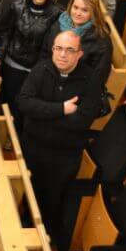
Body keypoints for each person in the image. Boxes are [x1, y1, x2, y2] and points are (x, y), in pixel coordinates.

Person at [18, 30, 102, 236]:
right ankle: (26, 232)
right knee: (29, 194)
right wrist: (61, 109)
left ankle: (47, 237)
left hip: (64, 155)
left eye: (69, 50)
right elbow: (24, 102)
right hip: (34, 147)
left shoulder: (91, 80)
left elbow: (82, 121)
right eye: (58, 48)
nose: (62, 55)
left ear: (79, 54)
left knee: (54, 200)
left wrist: (42, 114)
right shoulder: (41, 69)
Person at [0, 0, 61, 133]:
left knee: (30, 105)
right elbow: (6, 32)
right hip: (14, 63)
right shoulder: (17, 6)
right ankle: (10, 135)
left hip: (39, 68)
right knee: (12, 102)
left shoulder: (57, 13)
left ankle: (23, 135)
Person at [42, 0, 113, 86]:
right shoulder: (57, 25)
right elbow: (45, 53)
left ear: (93, 13)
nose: (78, 13)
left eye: (84, 10)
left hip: (77, 89)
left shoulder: (102, 40)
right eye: (75, 7)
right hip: (50, 81)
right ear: (70, 6)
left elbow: (99, 76)